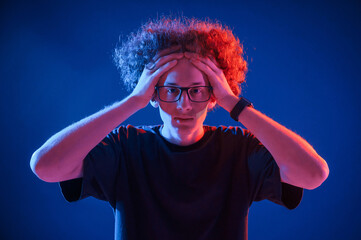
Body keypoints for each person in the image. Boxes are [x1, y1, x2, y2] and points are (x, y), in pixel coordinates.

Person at [30, 16, 329, 240]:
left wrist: (233, 102)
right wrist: (131, 102)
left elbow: (313, 174)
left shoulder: (240, 148)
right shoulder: (125, 147)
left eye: (197, 90)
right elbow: (46, 166)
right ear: (152, 93)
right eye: (170, 91)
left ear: (214, 95)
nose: (184, 105)